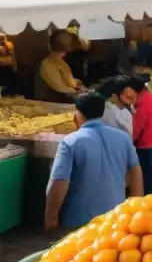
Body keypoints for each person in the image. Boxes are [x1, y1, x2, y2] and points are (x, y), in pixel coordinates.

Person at [45, 92, 143, 232]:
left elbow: (59, 182)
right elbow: (136, 172)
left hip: (80, 222)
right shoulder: (123, 138)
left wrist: (51, 217)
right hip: (116, 219)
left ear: (77, 114)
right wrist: (135, 209)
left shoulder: (70, 142)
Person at [128, 75, 152, 195]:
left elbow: (135, 131)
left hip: (147, 146)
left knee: (150, 180)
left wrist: (126, 143)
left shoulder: (142, 105)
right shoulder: (151, 98)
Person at [36, 31, 84, 103]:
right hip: (52, 103)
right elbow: (60, 88)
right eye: (65, 51)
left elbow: (69, 80)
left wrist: (78, 84)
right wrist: (78, 92)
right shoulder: (47, 64)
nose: (66, 53)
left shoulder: (59, 61)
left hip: (63, 100)